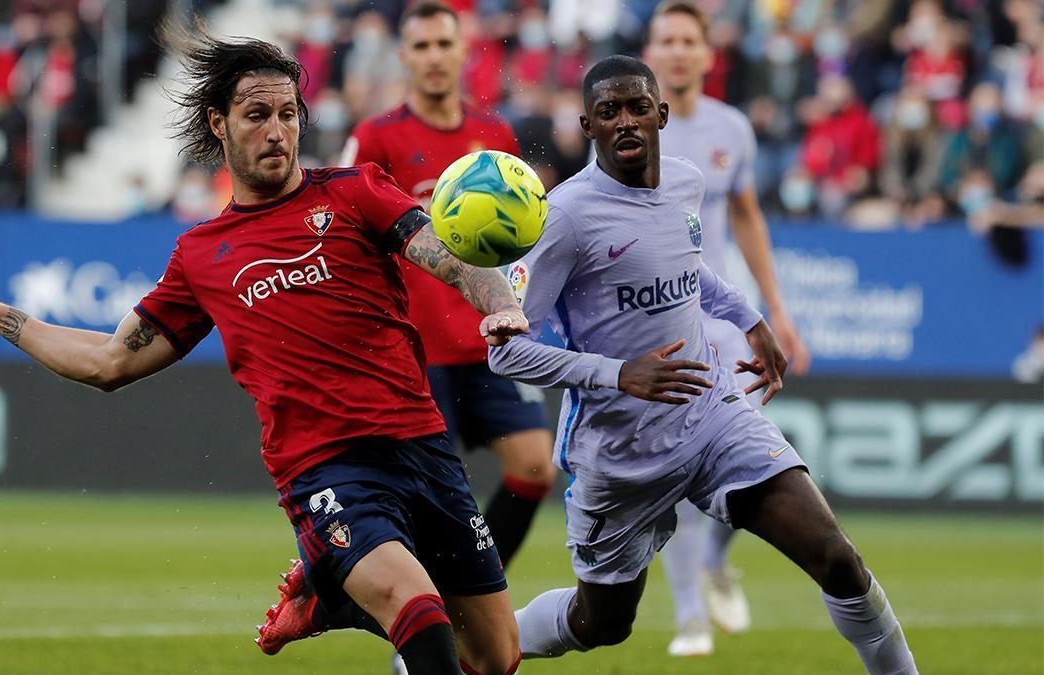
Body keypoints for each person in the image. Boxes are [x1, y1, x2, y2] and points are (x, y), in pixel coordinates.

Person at [0, 31, 523, 675]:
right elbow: (110, 362)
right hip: (327, 471)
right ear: (220, 123)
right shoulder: (203, 254)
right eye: (257, 115)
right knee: (420, 616)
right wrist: (1, 315)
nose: (277, 132)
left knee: (495, 658)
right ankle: (342, 580)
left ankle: (331, 606)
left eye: (288, 115)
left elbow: (451, 255)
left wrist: (500, 304)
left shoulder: (353, 193)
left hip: (423, 449)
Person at [488, 55, 919, 675]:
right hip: (620, 453)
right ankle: (461, 647)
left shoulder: (687, 182)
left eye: (638, 106)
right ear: (588, 126)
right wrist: (616, 372)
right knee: (601, 624)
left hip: (711, 414)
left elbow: (690, 267)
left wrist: (752, 320)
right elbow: (504, 349)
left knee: (836, 557)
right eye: (608, 112)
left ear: (661, 114)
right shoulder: (563, 217)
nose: (626, 121)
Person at [339, 0, 555, 570]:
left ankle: (474, 596)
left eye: (444, 44)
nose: (434, 56)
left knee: (535, 466)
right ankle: (423, 633)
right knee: (429, 500)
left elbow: (519, 238)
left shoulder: (494, 134)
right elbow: (344, 230)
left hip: (489, 340)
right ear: (404, 56)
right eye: (422, 46)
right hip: (415, 351)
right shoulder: (375, 139)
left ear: (463, 51)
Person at [641, 1, 811, 656]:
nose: (678, 50)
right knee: (678, 476)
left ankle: (714, 556)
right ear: (651, 50)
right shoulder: (630, 126)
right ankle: (689, 615)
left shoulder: (732, 128)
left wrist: (778, 311)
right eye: (667, 40)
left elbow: (747, 216)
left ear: (708, 54)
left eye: (689, 40)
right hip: (655, 326)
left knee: (761, 459)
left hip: (722, 319)